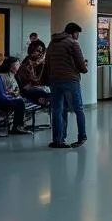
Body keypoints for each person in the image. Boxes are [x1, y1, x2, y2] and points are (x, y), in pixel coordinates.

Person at [43, 21, 89, 149]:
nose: (78, 36)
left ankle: (58, 140)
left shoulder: (52, 43)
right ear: (74, 33)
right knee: (78, 109)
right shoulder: (73, 43)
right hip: (70, 80)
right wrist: (85, 67)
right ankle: (81, 137)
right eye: (77, 33)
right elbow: (81, 65)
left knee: (57, 109)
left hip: (54, 80)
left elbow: (47, 63)